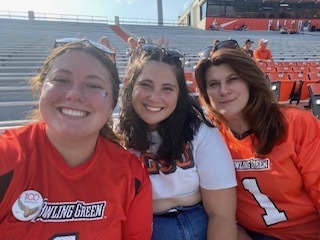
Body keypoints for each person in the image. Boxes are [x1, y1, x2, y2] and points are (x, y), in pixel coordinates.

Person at [0, 39, 152, 240]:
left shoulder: (132, 176)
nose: (74, 94)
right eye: (61, 80)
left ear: (111, 105)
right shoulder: (7, 158)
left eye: (93, 85)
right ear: (41, 87)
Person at [194, 48, 320, 240]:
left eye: (232, 79)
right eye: (213, 84)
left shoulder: (296, 123)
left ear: (250, 81)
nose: (223, 90)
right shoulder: (209, 135)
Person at [118, 43, 237, 239]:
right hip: (137, 222)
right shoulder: (117, 135)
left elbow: (221, 215)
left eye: (167, 88)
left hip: (194, 221)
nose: (155, 97)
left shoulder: (201, 132)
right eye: (145, 85)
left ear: (179, 94)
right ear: (131, 86)